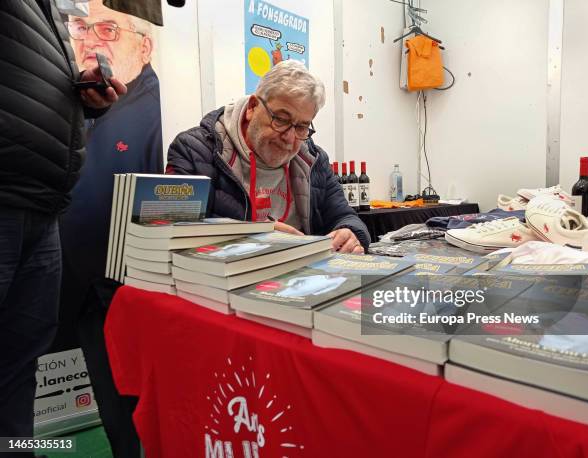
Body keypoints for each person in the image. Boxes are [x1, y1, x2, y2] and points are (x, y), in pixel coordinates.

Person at [0, 0, 126, 453]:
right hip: (9, 198)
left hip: (43, 206)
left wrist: (84, 105)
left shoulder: (49, 13)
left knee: (19, 363)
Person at [166, 60, 370, 253]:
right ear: (253, 107)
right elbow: (173, 234)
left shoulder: (313, 160)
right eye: (281, 120)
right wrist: (255, 238)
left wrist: (350, 234)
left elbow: (346, 217)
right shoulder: (194, 150)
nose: (289, 138)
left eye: (301, 126)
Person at [55, 0, 163, 351]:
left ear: (144, 47)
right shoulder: (64, 94)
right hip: (55, 282)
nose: (91, 42)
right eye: (82, 28)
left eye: (108, 30)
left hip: (118, 288)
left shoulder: (151, 108)